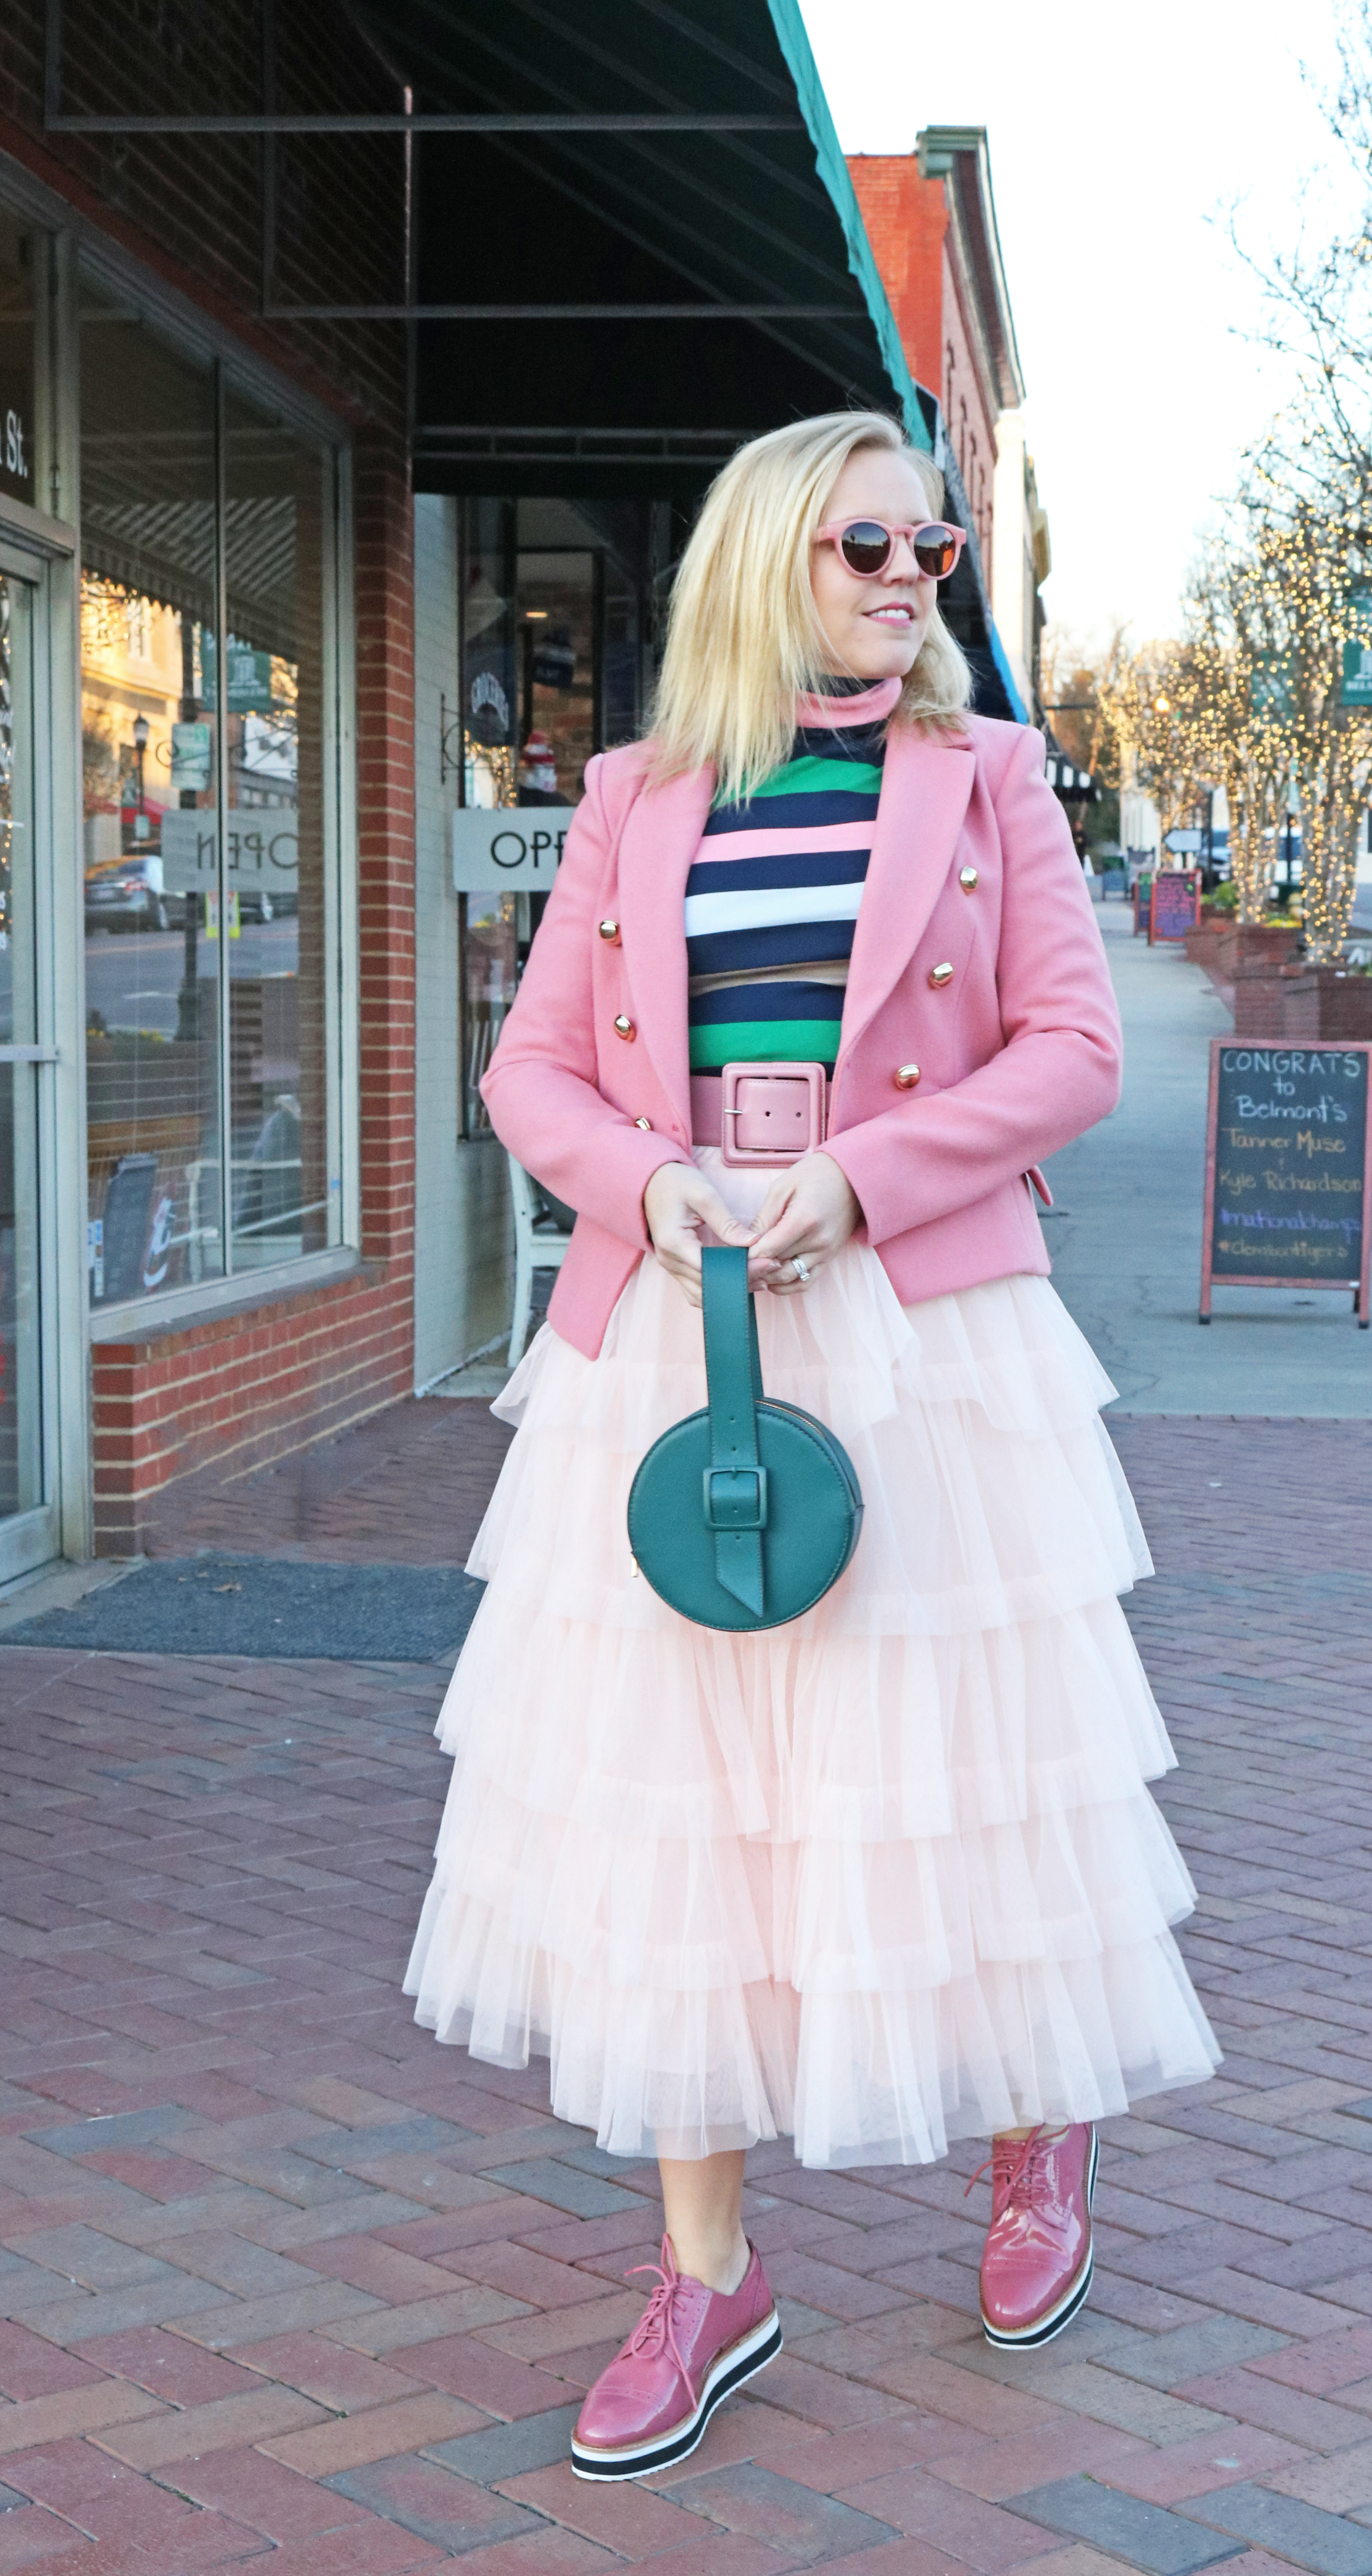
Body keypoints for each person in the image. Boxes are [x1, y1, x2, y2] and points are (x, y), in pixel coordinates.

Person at [405, 411, 1219, 2481]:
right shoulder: (632, 794)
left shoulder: (990, 776)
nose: (901, 574)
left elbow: (1074, 1051)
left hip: (916, 1314)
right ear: (769, 552)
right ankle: (707, 2274)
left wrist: (859, 1184)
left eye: (929, 549)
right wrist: (649, 1188)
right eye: (865, 541)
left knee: (962, 1753)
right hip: (675, 1316)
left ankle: (1037, 2146)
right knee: (665, 1796)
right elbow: (525, 1069)